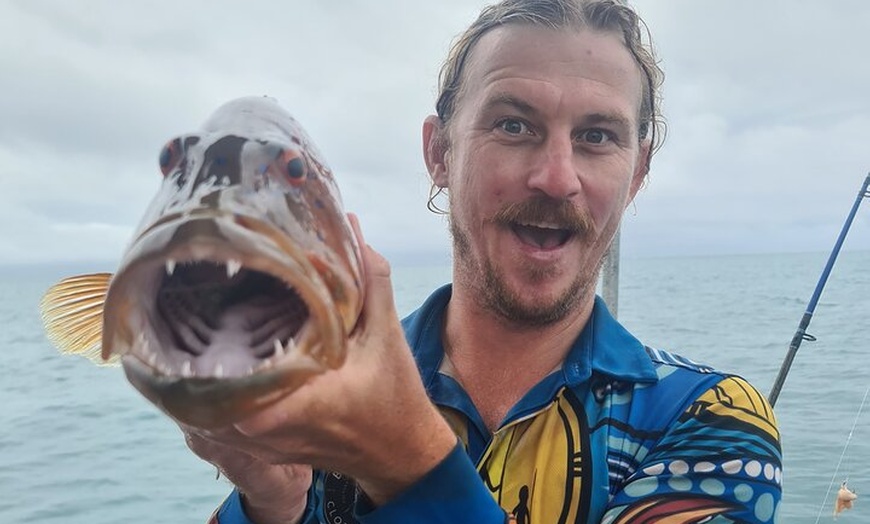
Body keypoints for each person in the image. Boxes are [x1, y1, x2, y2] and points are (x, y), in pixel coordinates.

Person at [187, 1, 783, 523]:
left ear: (637, 175)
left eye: (597, 136)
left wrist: (408, 461)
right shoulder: (323, 386)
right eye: (513, 124)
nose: (556, 178)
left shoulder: (712, 422)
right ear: (439, 153)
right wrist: (271, 506)